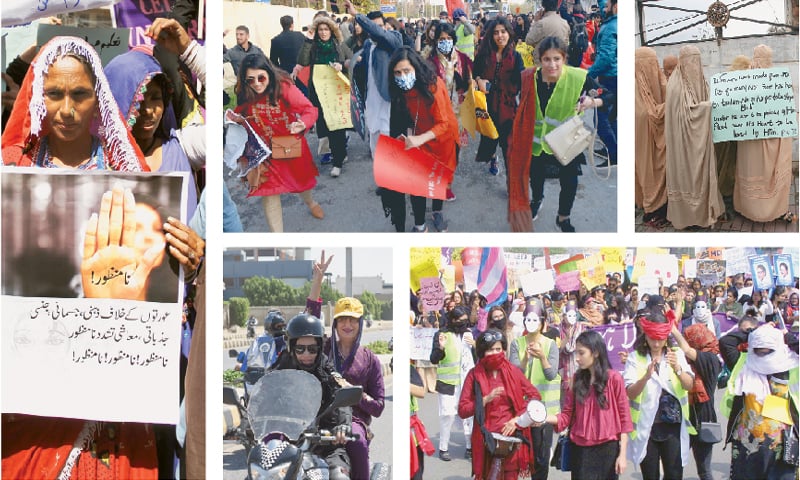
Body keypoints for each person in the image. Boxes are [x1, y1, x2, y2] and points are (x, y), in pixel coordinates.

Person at [509, 36, 611, 233]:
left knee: (570, 181)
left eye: (557, 59)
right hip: (537, 141)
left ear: (564, 58)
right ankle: (537, 201)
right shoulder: (529, 77)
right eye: (547, 59)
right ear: (539, 60)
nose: (552, 64)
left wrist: (591, 102)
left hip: (566, 142)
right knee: (536, 176)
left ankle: (563, 217)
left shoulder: (578, 78)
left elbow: (607, 95)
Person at [2, 36, 146, 171]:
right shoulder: (13, 164)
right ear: (39, 101)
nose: (66, 111)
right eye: (54, 94)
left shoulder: (123, 169)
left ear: (98, 102)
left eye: (79, 94)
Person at [104, 41, 203, 217]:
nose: (149, 110)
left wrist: (189, 49)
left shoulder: (184, 146)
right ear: (117, 100)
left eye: (156, 98)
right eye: (139, 100)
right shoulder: (98, 160)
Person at [230, 54, 324, 232]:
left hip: (288, 145)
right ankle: (278, 242)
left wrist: (303, 123)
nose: (257, 83)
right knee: (270, 193)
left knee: (302, 181)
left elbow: (309, 109)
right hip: (263, 152)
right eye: (250, 80)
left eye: (261, 77)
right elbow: (239, 114)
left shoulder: (284, 87)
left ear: (269, 73)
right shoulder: (246, 92)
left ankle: (311, 202)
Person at [382, 47, 458, 232]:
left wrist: (419, 139)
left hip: (442, 139)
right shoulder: (399, 89)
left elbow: (443, 124)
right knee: (418, 183)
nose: (402, 76)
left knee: (438, 179)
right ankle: (420, 225)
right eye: (398, 72)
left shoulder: (434, 85)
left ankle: (437, 212)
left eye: (406, 71)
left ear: (416, 68)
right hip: (419, 137)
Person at [536, 330, 632, 479]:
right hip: (580, 449)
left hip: (608, 450)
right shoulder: (576, 379)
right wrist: (543, 418)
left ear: (595, 353)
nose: (577, 359)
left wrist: (622, 454)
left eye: (581, 353)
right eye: (576, 354)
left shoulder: (614, 378)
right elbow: (566, 415)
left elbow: (625, 418)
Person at [270, 313, 352, 479]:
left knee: (339, 477)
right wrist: (249, 418)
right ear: (291, 347)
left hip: (326, 441)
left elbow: (342, 396)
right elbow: (265, 392)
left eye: (312, 349)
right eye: (300, 349)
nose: (306, 354)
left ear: (320, 348)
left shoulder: (326, 369)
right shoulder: (281, 367)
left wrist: (342, 426)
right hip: (286, 443)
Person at [458, 329, 541, 480]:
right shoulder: (474, 374)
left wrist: (517, 420)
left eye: (498, 349)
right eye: (490, 350)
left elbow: (535, 396)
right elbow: (463, 410)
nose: (495, 353)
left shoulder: (513, 371)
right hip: (485, 440)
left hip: (510, 437)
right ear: (482, 352)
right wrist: (484, 400)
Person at [624, 307, 696, 480]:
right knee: (650, 475)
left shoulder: (676, 354)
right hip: (646, 427)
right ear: (645, 336)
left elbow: (689, 385)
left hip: (672, 425)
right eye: (652, 339)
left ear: (666, 338)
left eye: (660, 339)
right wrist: (646, 377)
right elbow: (630, 393)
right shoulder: (635, 358)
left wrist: (678, 369)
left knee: (674, 474)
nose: (656, 344)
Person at [721, 324, 799, 480]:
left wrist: (786, 336)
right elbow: (726, 342)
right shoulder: (744, 362)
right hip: (747, 445)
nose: (763, 355)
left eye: (768, 351)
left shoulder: (790, 364)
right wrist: (754, 332)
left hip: (782, 445)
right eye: (758, 350)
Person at [325, 297, 386, 480]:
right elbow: (306, 323)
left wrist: (355, 394)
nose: (347, 324)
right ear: (335, 324)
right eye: (343, 319)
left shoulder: (369, 359)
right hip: (322, 417)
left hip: (354, 421)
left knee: (357, 442)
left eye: (353, 319)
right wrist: (317, 282)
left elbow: (378, 406)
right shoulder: (323, 349)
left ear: (360, 323)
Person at [664, 45, 724, 229]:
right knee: (687, 178)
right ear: (682, 62)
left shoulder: (703, 82)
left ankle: (707, 210)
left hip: (702, 143)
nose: (694, 66)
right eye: (691, 61)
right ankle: (688, 217)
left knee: (704, 178)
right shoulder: (675, 86)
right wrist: (707, 107)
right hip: (683, 145)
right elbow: (687, 115)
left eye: (697, 61)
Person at [733, 44, 795, 224]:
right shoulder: (777, 79)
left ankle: (749, 208)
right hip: (771, 135)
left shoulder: (743, 79)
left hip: (749, 138)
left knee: (751, 168)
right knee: (767, 170)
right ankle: (773, 208)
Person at [296, 16, 353, 178]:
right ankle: (332, 153)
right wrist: (308, 40)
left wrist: (342, 66)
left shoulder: (339, 44)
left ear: (331, 30)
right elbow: (302, 60)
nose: (323, 33)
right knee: (323, 124)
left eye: (326, 29)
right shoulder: (312, 45)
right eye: (320, 30)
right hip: (318, 92)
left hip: (336, 91)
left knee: (337, 125)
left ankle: (338, 161)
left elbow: (352, 59)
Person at [344, 1, 403, 156]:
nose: (377, 29)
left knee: (389, 138)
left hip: (388, 97)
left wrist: (357, 14)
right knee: (375, 139)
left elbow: (381, 33)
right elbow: (365, 67)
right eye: (372, 26)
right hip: (371, 98)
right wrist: (351, 63)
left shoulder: (394, 38)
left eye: (379, 25)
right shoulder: (368, 44)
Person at [509, 300, 560, 480]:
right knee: (518, 455)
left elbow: (551, 374)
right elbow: (515, 375)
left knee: (541, 458)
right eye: (528, 320)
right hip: (521, 409)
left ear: (542, 321)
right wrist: (525, 359)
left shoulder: (550, 345)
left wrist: (542, 357)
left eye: (535, 320)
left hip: (543, 411)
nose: (531, 324)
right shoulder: (517, 344)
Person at [426, 20, 474, 201]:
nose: (445, 41)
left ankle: (447, 181)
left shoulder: (462, 58)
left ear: (453, 39)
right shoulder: (430, 61)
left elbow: (473, 77)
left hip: (459, 113)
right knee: (440, 150)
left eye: (448, 38)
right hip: (438, 113)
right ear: (436, 40)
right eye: (441, 38)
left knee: (455, 150)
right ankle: (441, 183)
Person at [473, 18, 524, 176]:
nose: (500, 36)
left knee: (509, 145)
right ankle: (492, 157)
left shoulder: (516, 57)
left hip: (507, 108)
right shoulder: (483, 54)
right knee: (489, 136)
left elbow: (522, 80)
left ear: (509, 33)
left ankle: (511, 180)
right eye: (496, 32)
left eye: (503, 31)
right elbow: (475, 73)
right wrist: (479, 80)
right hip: (486, 106)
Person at [670, 324, 722, 480]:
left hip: (703, 418)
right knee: (674, 465)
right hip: (684, 417)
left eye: (689, 337)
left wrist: (673, 329)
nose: (686, 340)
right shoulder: (687, 363)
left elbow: (687, 350)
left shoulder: (711, 359)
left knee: (704, 469)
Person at [430, 306, 476, 461]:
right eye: (459, 320)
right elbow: (434, 359)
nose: (462, 323)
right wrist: (441, 348)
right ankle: (443, 448)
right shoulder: (442, 335)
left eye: (465, 319)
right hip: (448, 384)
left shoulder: (469, 334)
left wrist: (475, 345)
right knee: (447, 416)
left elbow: (478, 357)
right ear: (452, 320)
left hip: (467, 384)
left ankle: (470, 447)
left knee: (468, 416)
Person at [634, 47, 668, 227]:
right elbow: (649, 114)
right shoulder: (633, 89)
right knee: (647, 170)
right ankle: (652, 208)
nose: (653, 69)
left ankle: (656, 206)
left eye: (654, 64)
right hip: (644, 141)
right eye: (648, 65)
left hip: (653, 140)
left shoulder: (660, 83)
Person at [587, 0, 618, 168]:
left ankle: (614, 153)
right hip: (615, 76)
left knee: (600, 118)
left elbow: (605, 59)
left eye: (605, 7)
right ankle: (613, 149)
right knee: (612, 117)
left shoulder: (609, 28)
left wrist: (588, 74)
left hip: (609, 78)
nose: (602, 10)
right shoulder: (614, 24)